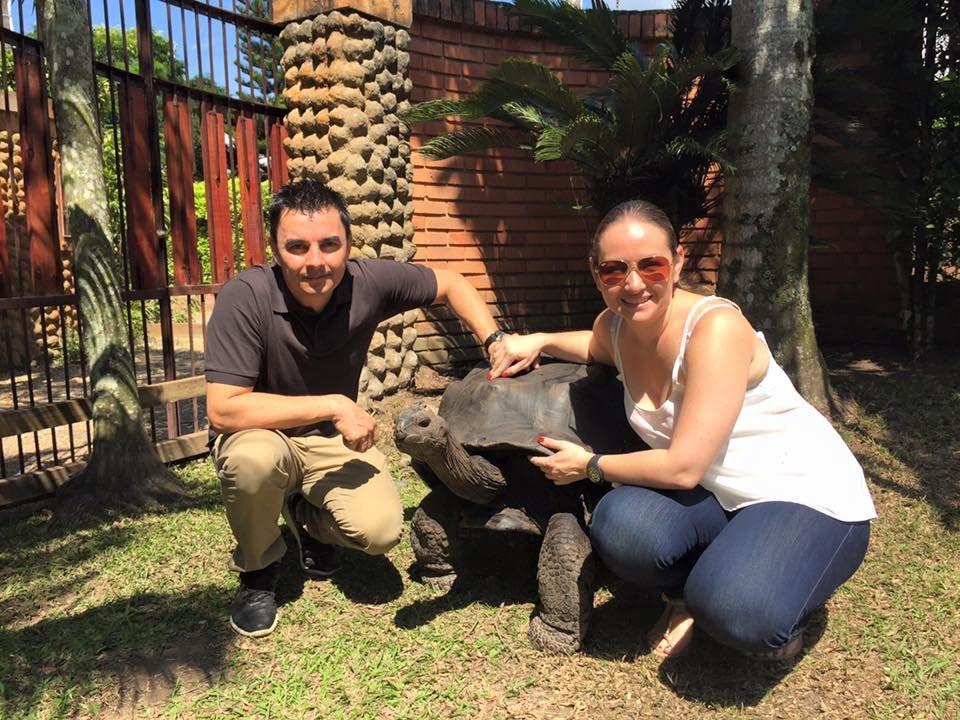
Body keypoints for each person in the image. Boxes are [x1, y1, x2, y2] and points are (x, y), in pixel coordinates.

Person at [487, 199, 876, 659]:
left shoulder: (715, 329)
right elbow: (593, 346)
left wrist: (589, 465)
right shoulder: (615, 328)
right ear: (596, 274)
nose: (633, 284)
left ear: (677, 263)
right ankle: (691, 590)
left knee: (740, 613)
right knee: (620, 523)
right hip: (717, 496)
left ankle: (773, 591)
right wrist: (541, 339)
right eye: (614, 271)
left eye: (651, 265)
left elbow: (685, 466)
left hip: (801, 494)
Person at [205, 179, 507, 638]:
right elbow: (225, 411)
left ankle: (302, 520)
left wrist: (496, 340)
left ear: (348, 242)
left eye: (330, 244)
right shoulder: (245, 297)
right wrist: (332, 403)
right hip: (262, 434)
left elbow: (451, 282)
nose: (315, 262)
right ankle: (258, 570)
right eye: (297, 247)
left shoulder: (367, 282)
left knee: (381, 530)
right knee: (252, 461)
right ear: (275, 249)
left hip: (328, 440)